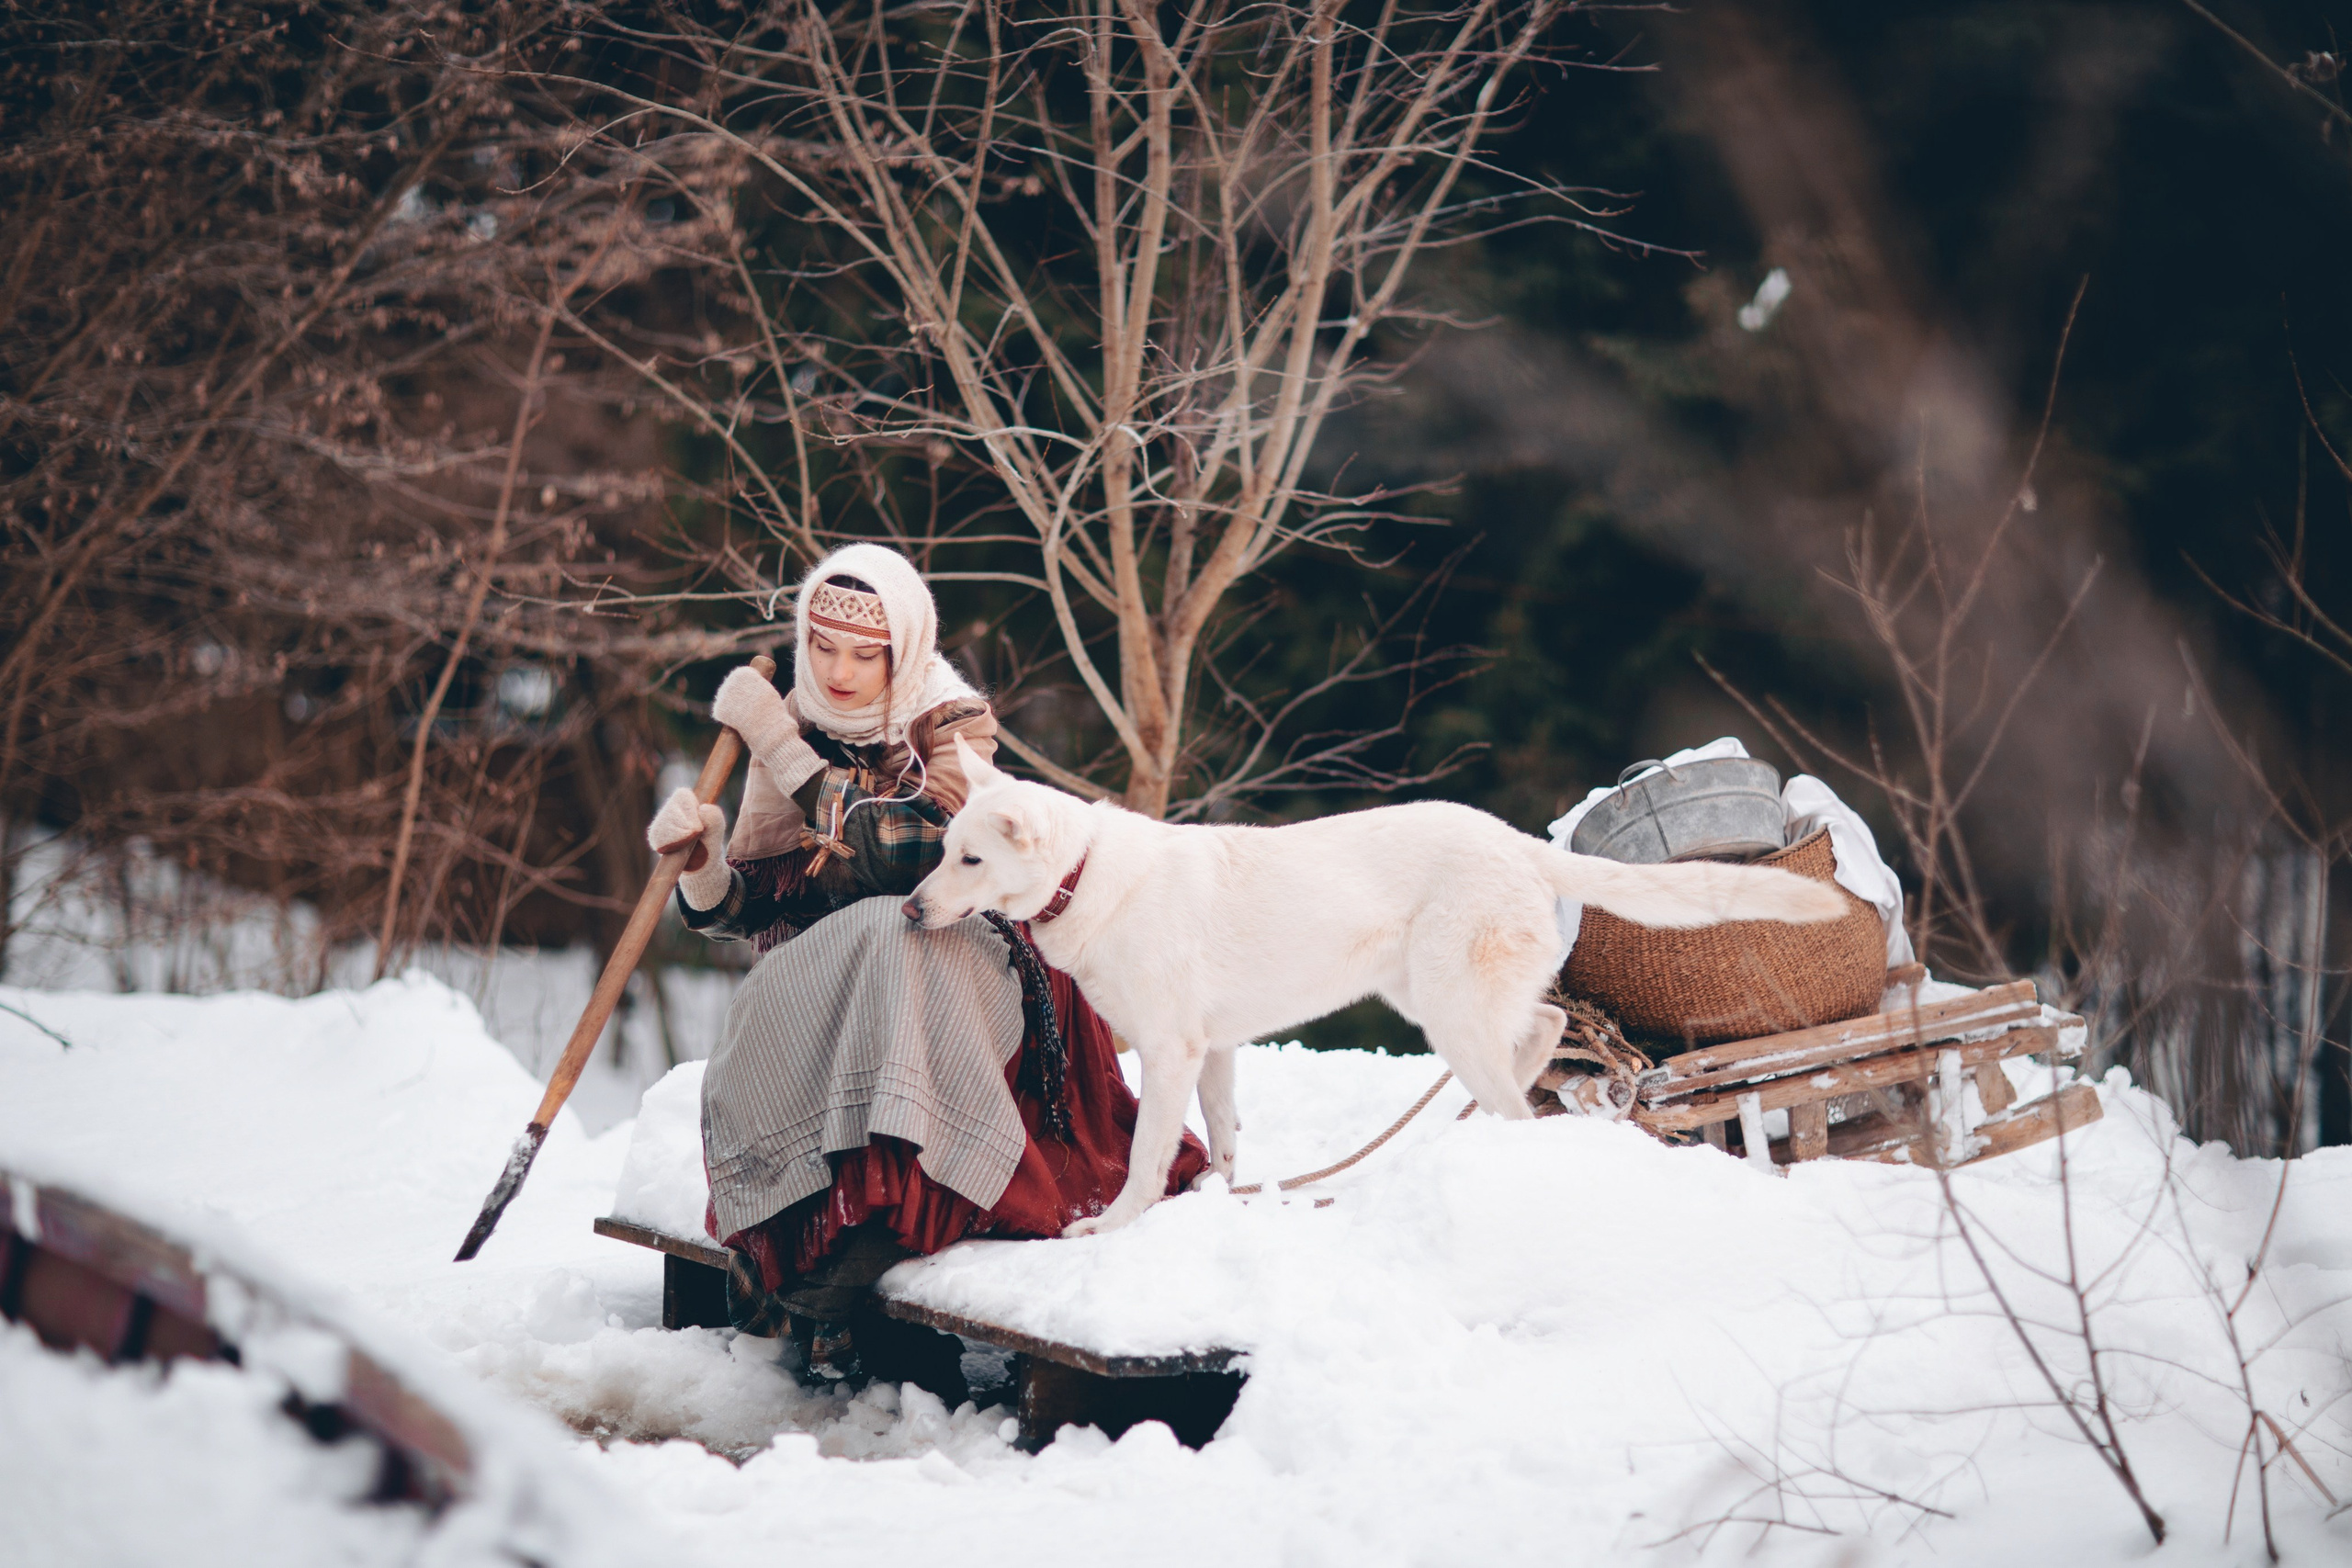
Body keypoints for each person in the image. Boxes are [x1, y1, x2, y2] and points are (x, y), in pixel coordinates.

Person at [644, 542, 1206, 1396]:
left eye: (865, 654)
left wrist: (778, 744)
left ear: (901, 651)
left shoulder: (950, 723)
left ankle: (883, 1230)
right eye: (823, 647)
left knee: (888, 932)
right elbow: (751, 913)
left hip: (958, 970)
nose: (838, 672)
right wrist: (702, 867)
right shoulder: (789, 723)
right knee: (777, 990)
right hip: (837, 995)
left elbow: (905, 857)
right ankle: (805, 1263)